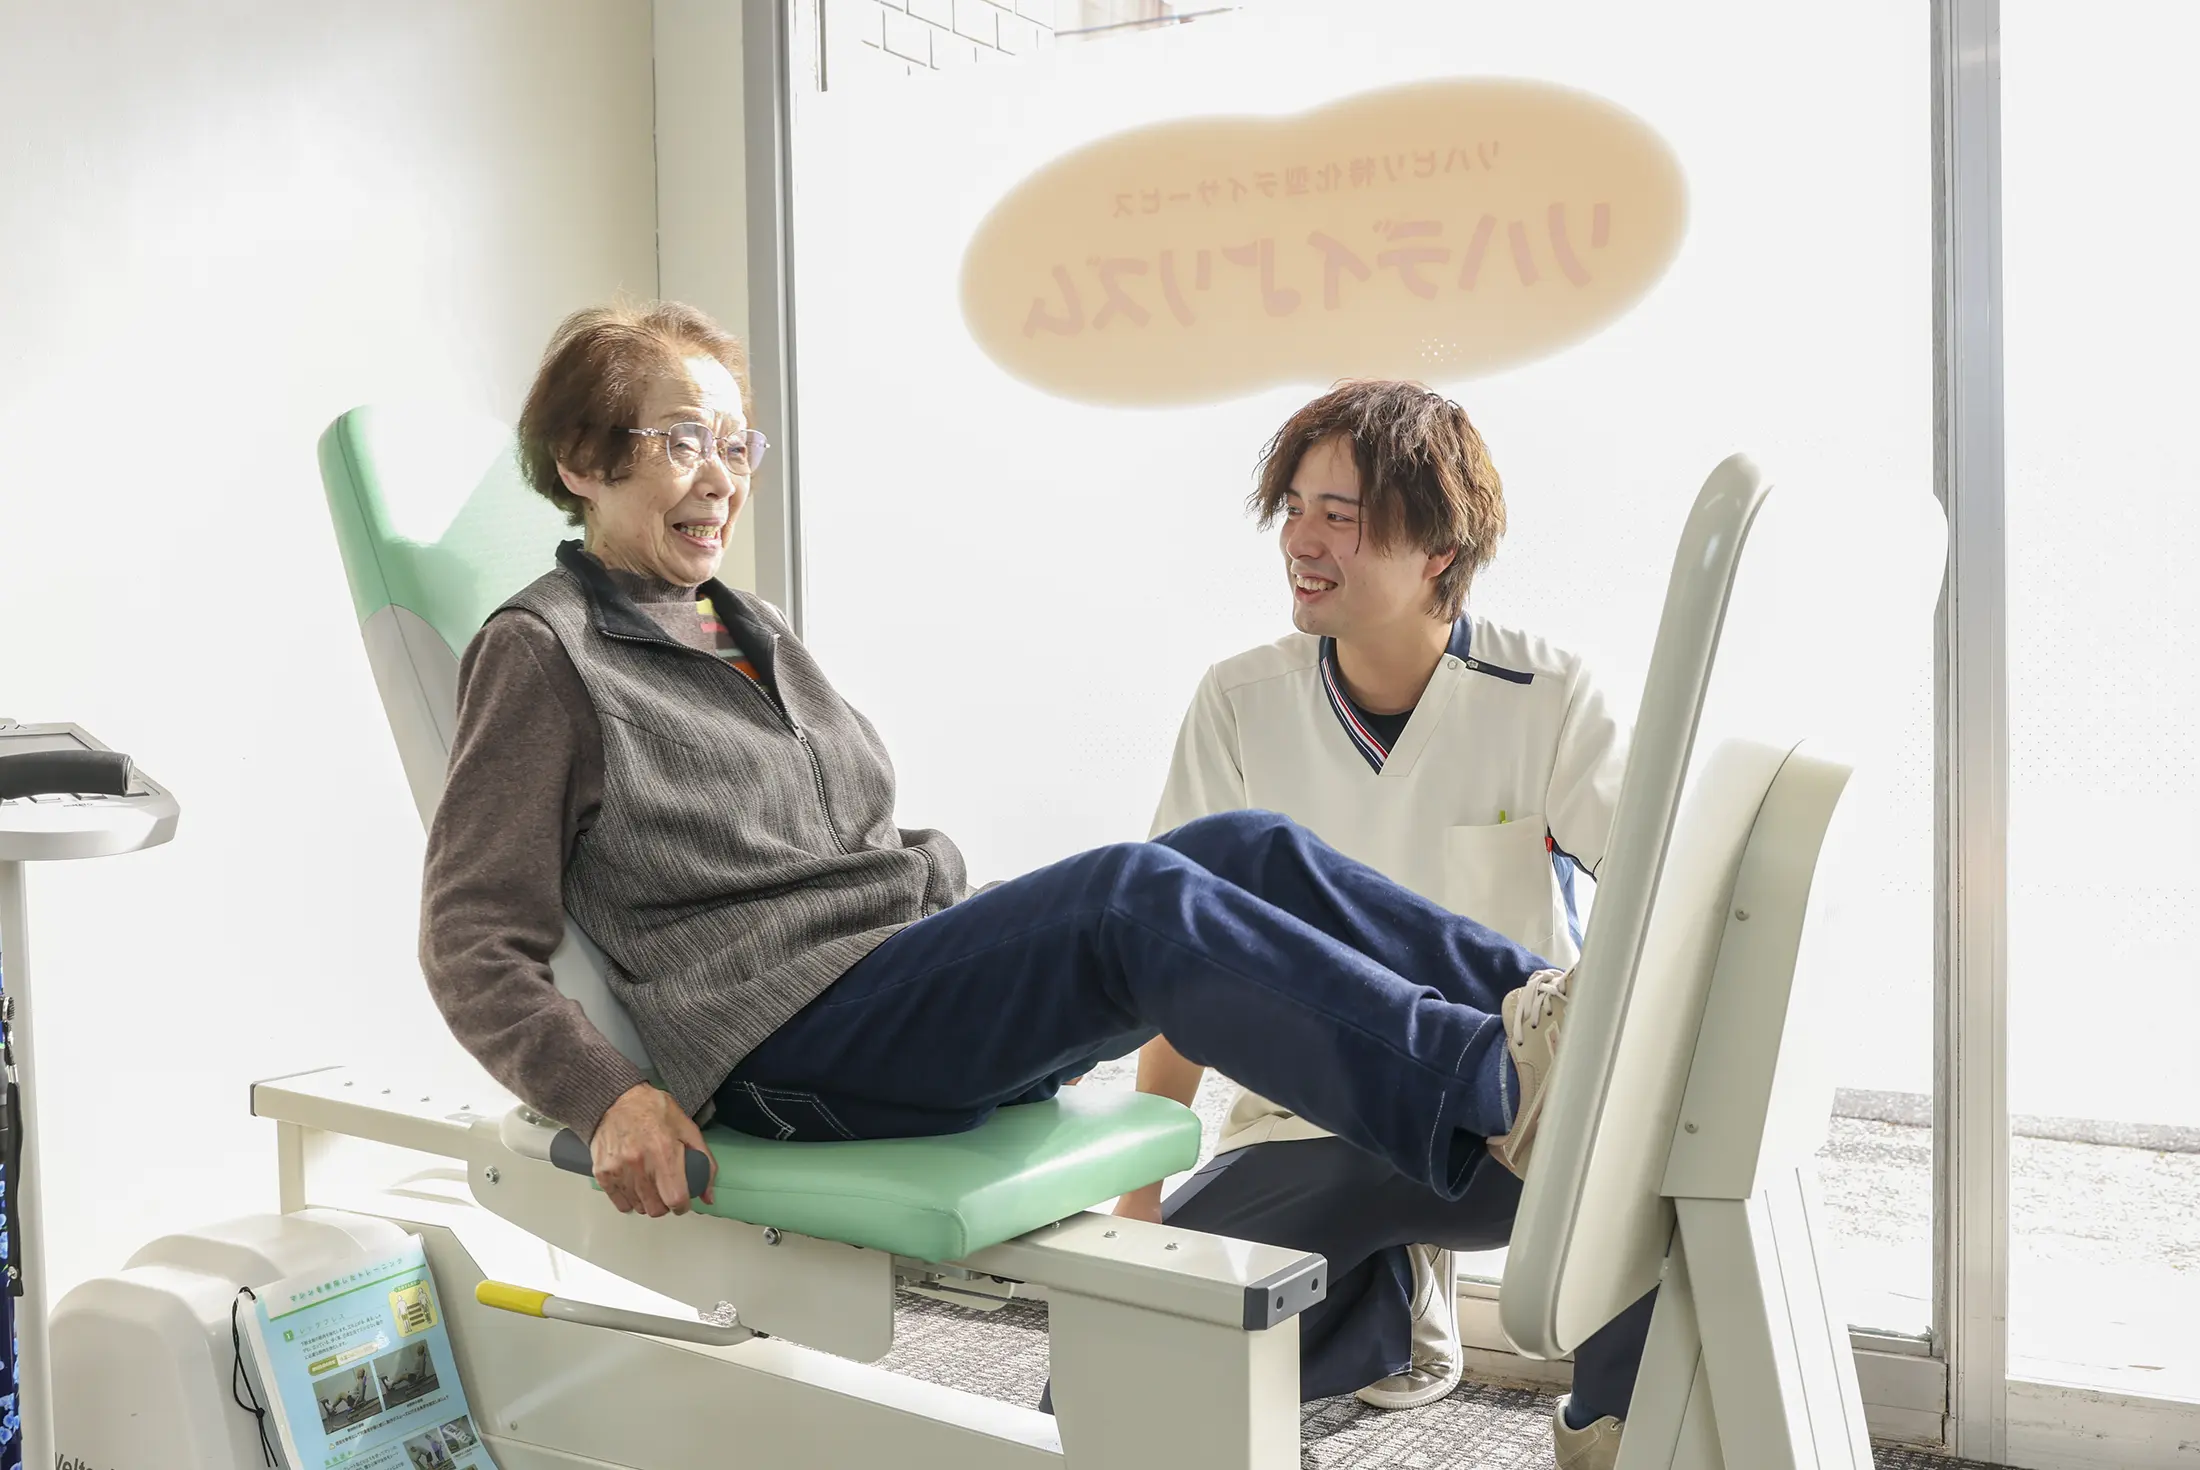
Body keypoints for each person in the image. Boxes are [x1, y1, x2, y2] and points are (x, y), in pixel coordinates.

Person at [417, 298, 1577, 1370]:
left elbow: (848, 840)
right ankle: (1485, 1088)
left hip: (881, 987)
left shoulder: (740, 623)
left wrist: (962, 918)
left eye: (734, 444)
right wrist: (606, 1094)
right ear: (584, 461)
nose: (721, 476)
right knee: (1127, 899)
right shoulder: (545, 652)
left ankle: (1556, 1024)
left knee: (1242, 847)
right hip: (785, 1046)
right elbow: (470, 939)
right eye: (682, 440)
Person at [1115, 382, 1646, 1466]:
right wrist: (1140, 1206)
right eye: (1293, 510)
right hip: (1303, 1124)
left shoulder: (1547, 694)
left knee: (1653, 1160)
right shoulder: (1239, 703)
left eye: (1340, 516)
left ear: (1439, 550)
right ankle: (1388, 1292)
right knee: (1120, 1379)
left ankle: (1612, 1429)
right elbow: (1167, 962)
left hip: (1504, 1125)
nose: (1301, 542)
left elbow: (1659, 912)